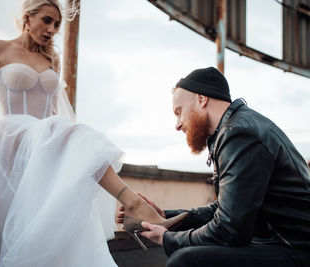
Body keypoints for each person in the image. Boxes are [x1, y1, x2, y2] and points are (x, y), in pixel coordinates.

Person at [0, 0, 186, 266]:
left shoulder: (50, 59)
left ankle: (128, 209)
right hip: (14, 132)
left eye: (56, 24)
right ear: (27, 18)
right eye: (46, 21)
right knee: (67, 131)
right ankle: (133, 204)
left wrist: (74, 150)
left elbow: (55, 113)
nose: (52, 29)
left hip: (44, 135)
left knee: (71, 152)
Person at [118, 67, 310, 267]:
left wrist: (167, 239)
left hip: (296, 248)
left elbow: (230, 229)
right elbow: (225, 210)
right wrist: (166, 217)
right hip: (280, 243)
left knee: (186, 261)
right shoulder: (236, 129)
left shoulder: (240, 134)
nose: (177, 124)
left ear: (201, 100)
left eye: (179, 112)